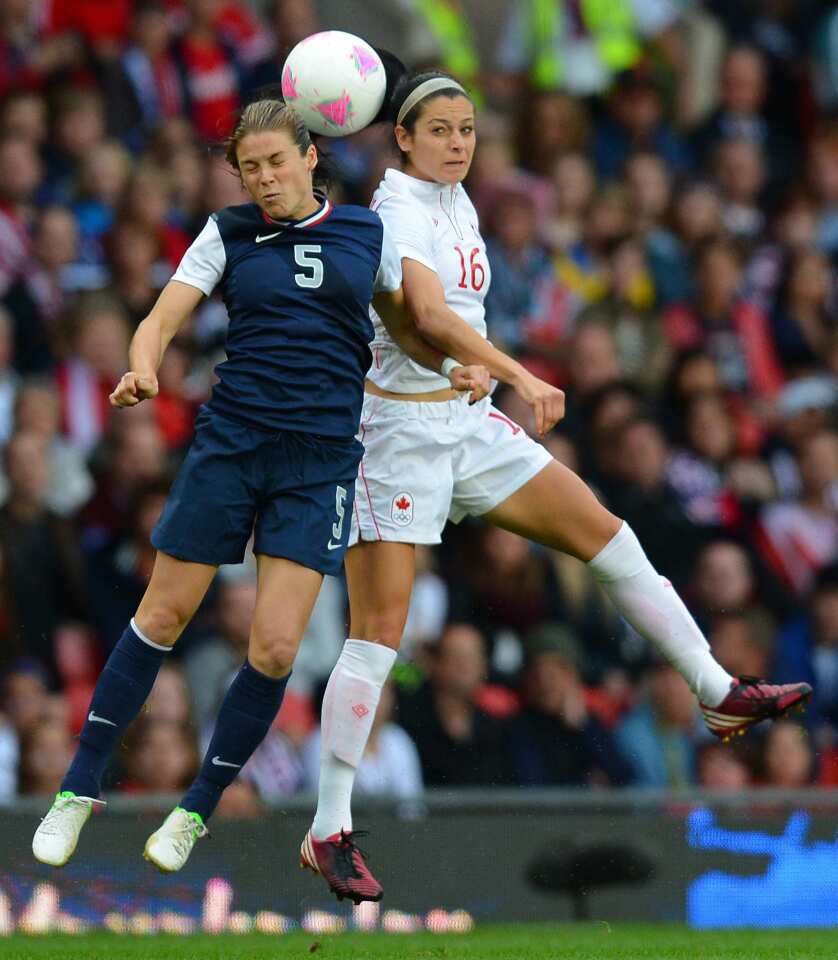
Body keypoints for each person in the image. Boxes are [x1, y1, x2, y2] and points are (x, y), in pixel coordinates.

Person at [301, 69, 813, 904]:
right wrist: (518, 374)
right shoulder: (397, 212)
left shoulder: (455, 202)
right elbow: (426, 318)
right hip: (396, 437)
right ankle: (327, 827)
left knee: (607, 536)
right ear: (401, 137)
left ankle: (717, 693)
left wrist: (483, 377)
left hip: (462, 422)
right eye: (439, 130)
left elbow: (439, 327)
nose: (458, 143)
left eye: (466, 129)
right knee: (378, 635)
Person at [31, 98, 489, 879]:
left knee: (276, 647)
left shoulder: (363, 233)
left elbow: (407, 326)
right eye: (250, 168)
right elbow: (161, 317)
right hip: (233, 446)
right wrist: (141, 366)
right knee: (163, 614)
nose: (264, 179)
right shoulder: (229, 233)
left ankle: (196, 808)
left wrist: (456, 366)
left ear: (310, 157)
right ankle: (77, 788)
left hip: (318, 464)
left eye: (276, 162)